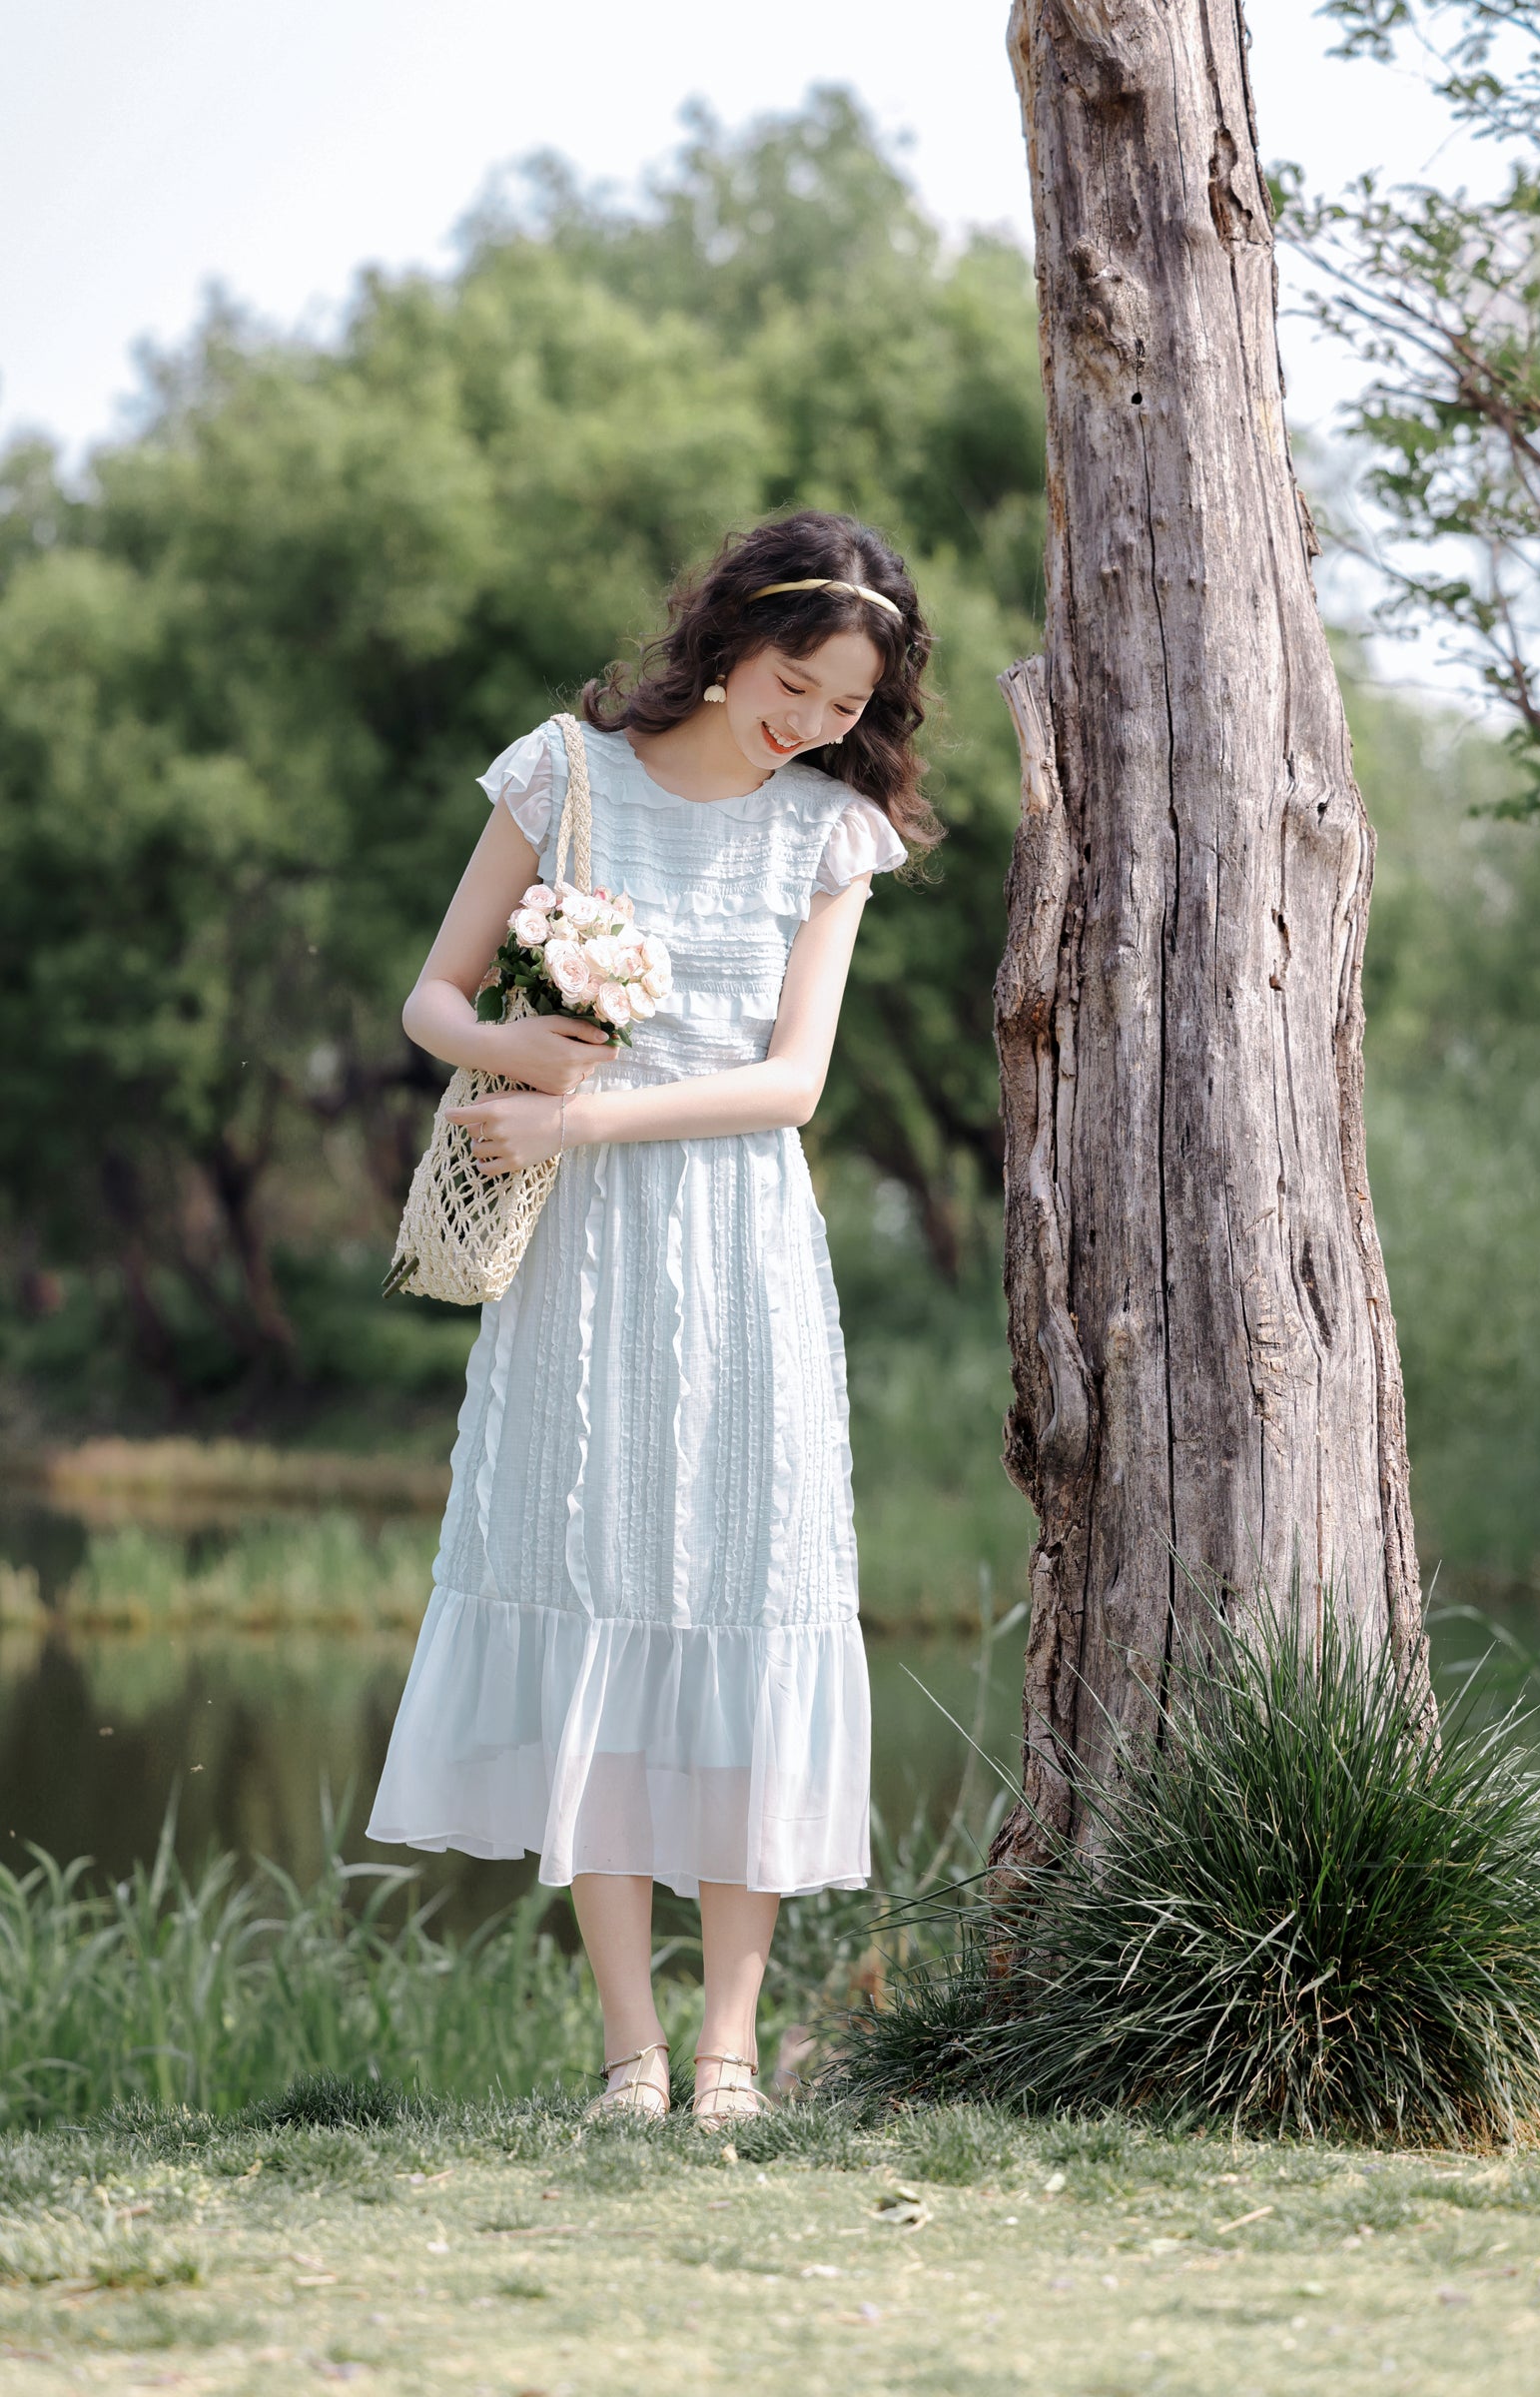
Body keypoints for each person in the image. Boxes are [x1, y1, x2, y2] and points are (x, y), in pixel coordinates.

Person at [368, 508, 941, 2125]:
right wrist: (514, 1055)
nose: (813, 724)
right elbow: (429, 997)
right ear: (728, 637)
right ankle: (630, 2055)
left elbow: (795, 1083)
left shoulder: (829, 830)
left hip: (741, 1248)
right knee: (596, 1579)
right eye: (793, 683)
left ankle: (732, 2055)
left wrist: (586, 1119)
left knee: (748, 1595)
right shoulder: (561, 773)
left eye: (845, 705)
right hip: (577, 1262)